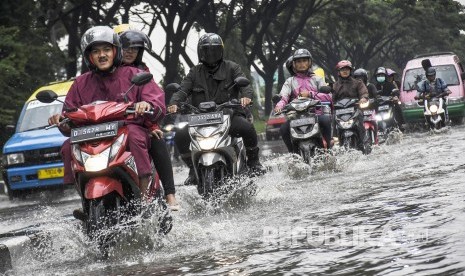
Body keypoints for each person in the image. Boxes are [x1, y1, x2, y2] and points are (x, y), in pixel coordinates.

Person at [49, 26, 165, 205]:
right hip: (91, 137)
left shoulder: (135, 75)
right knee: (67, 146)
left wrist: (147, 104)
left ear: (115, 51)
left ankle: (145, 197)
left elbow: (156, 103)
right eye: (96, 51)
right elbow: (69, 114)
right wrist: (61, 120)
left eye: (106, 50)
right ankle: (84, 198)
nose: (101, 55)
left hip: (125, 130)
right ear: (89, 57)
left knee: (136, 136)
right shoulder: (80, 83)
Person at [167, 33, 265, 185]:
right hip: (199, 119)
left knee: (247, 128)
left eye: (215, 50)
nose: (211, 54)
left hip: (228, 115)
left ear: (221, 51)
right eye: (207, 51)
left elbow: (245, 86)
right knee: (180, 135)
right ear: (201, 53)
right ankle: (193, 169)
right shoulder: (194, 72)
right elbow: (182, 91)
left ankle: (253, 162)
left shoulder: (232, 68)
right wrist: (174, 103)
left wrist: (246, 97)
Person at [119, 29, 179, 210]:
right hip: (109, 129)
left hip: (140, 125)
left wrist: (150, 120)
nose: (129, 52)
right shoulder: (102, 74)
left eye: (134, 49)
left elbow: (154, 101)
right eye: (125, 48)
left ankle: (170, 194)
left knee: (157, 141)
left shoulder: (142, 73)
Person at [274, 48, 332, 151]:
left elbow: (328, 97)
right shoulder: (289, 81)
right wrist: (279, 106)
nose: (302, 64)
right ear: (294, 64)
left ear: (309, 62)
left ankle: (329, 148)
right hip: (295, 117)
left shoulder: (317, 79)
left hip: (316, 114)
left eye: (304, 61)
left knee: (326, 121)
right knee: (283, 129)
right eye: (298, 61)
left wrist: (310, 94)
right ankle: (293, 154)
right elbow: (283, 97)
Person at [332, 60, 369, 152]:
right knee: (332, 120)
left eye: (347, 69)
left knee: (360, 123)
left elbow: (364, 92)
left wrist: (363, 98)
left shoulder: (358, 83)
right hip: (339, 112)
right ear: (339, 72)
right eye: (342, 69)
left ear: (350, 70)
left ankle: (364, 144)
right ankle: (335, 142)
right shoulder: (335, 85)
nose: (345, 71)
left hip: (354, 109)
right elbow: (331, 98)